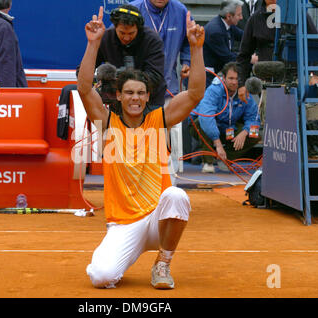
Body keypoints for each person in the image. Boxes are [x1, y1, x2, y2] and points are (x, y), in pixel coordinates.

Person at [77, 7, 205, 289]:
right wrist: (93, 43)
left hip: (157, 218)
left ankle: (163, 262)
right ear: (119, 96)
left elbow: (195, 93)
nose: (135, 98)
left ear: (148, 96)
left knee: (176, 196)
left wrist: (196, 49)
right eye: (129, 93)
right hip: (123, 225)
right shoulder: (107, 122)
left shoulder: (159, 119)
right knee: (101, 277)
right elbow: (85, 89)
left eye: (140, 93)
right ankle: (125, 255)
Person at [128, 0, 191, 182]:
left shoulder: (180, 10)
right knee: (136, 138)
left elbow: (189, 40)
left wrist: (187, 61)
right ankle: (136, 183)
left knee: (164, 136)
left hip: (167, 87)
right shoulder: (135, 9)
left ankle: (166, 184)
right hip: (136, 91)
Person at [237, 0, 318, 105]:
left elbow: (317, 43)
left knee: (298, 118)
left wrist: (317, 75)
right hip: (267, 83)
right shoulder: (255, 19)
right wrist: (241, 84)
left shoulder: (299, 15)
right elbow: (243, 55)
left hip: (297, 81)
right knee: (270, 119)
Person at [89, 4, 166, 108]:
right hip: (115, 102)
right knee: (100, 124)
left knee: (151, 124)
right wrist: (92, 44)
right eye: (121, 33)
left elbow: (155, 76)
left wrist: (123, 80)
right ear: (115, 27)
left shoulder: (152, 40)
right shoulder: (105, 38)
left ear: (138, 29)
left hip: (150, 102)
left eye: (131, 33)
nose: (126, 37)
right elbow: (83, 71)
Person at [190, 62, 261, 173]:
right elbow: (207, 117)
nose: (234, 82)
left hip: (228, 127)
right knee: (202, 122)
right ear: (224, 78)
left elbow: (254, 117)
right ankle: (208, 162)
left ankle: (225, 159)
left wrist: (245, 132)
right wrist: (218, 144)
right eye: (231, 78)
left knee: (255, 134)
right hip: (204, 125)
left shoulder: (243, 92)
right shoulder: (214, 90)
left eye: (237, 79)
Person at [203, 0, 244, 88]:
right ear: (229, 16)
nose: (241, 18)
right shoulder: (215, 31)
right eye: (239, 15)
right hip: (206, 78)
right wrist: (249, 58)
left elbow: (244, 37)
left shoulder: (229, 25)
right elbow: (227, 57)